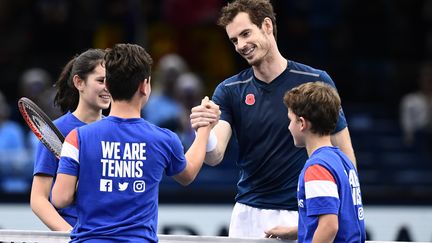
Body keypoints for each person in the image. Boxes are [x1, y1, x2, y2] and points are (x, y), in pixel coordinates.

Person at [190, 0, 356, 238]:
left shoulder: (316, 81)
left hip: (303, 211)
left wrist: (345, 211)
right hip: (247, 214)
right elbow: (215, 156)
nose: (241, 45)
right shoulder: (229, 89)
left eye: (246, 34)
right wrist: (203, 129)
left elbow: (345, 154)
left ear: (267, 25)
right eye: (234, 40)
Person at [51, 43, 215, 242]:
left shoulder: (77, 137)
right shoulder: (164, 139)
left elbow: (60, 199)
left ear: (108, 86)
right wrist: (204, 129)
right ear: (145, 86)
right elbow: (188, 175)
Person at [265, 82, 365, 242]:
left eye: (291, 120)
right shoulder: (343, 161)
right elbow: (340, 219)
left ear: (302, 123)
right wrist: (297, 231)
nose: (289, 127)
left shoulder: (317, 167)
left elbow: (329, 227)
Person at [30, 48, 111, 231]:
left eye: (111, 81)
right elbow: (38, 199)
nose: (107, 87)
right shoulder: (56, 130)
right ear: (79, 82)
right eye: (100, 80)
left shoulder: (117, 129)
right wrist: (70, 234)